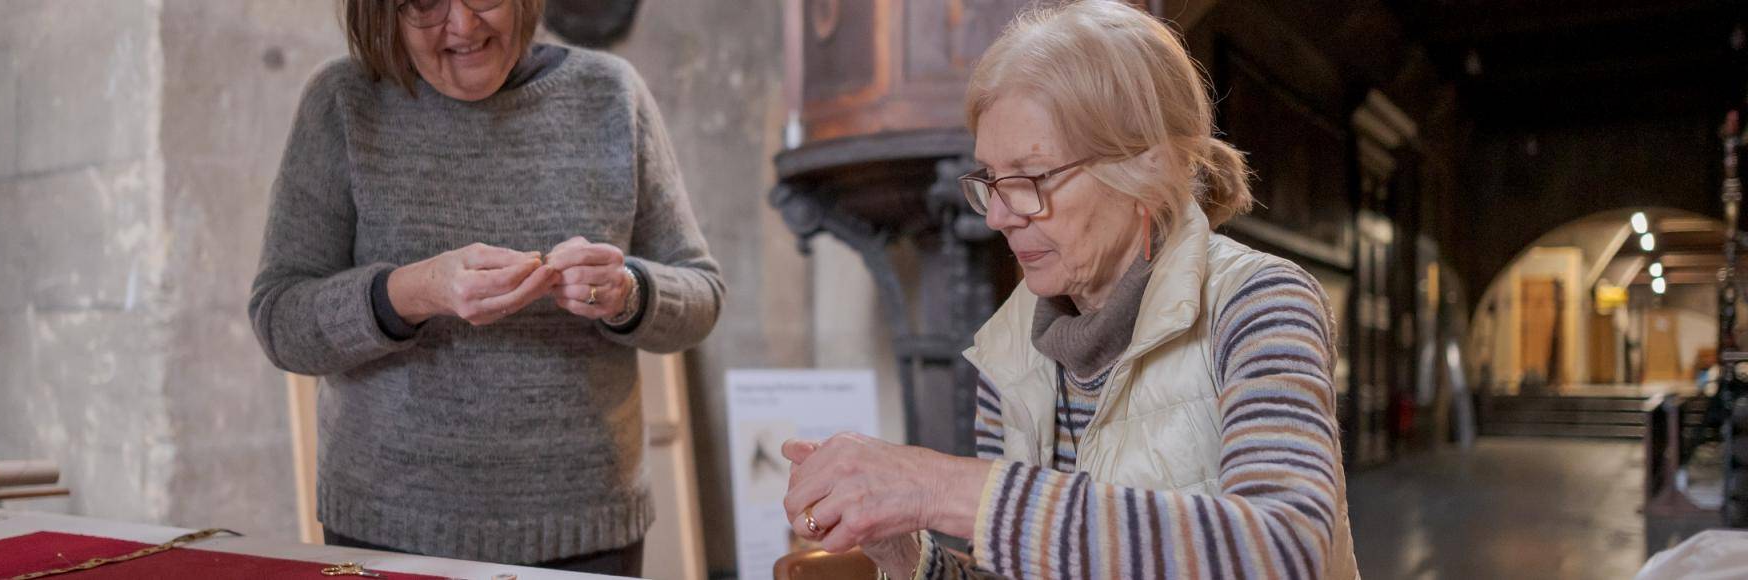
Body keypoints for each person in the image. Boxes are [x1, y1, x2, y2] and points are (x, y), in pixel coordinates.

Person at [778, 2, 1358, 578]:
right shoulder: (1008, 346)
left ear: (1143, 171)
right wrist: (907, 555)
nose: (998, 216)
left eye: (1029, 178)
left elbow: (1285, 549)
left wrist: (938, 486)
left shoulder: (1261, 303)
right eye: (990, 181)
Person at [247, 0, 723, 575]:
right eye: (424, 5)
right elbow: (280, 320)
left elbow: (702, 295)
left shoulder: (610, 95)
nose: (464, 25)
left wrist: (627, 292)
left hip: (588, 530)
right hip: (387, 531)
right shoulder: (344, 100)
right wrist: (413, 293)